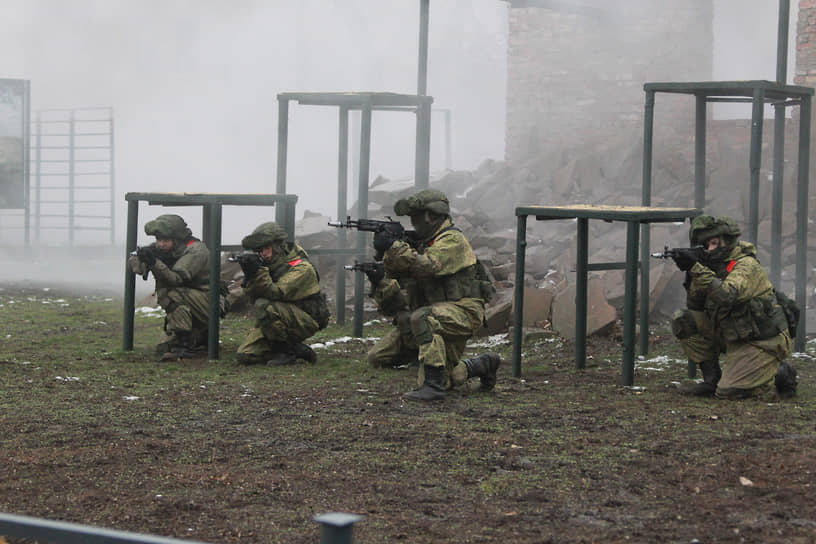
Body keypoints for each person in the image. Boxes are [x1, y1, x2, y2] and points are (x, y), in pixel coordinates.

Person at [367, 188, 501, 401]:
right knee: (378, 356)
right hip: (433, 315)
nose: (414, 222)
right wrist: (380, 278)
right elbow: (395, 302)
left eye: (416, 217)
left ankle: (435, 385)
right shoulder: (418, 245)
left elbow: (427, 266)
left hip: (462, 312)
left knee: (422, 318)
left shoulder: (453, 240)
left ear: (432, 215)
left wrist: (394, 247)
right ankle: (455, 362)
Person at [670, 214, 797, 399]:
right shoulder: (712, 265)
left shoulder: (746, 265)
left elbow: (727, 295)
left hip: (761, 340)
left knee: (730, 392)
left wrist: (697, 268)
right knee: (684, 320)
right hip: (733, 331)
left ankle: (778, 372)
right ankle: (711, 380)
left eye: (713, 243)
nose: (710, 249)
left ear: (726, 241)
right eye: (705, 245)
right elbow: (695, 308)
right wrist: (692, 274)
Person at [128, 214, 226, 360]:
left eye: (165, 240)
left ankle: (185, 345)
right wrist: (140, 258)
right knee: (163, 348)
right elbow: (138, 267)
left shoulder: (196, 250)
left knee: (170, 294)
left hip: (210, 301)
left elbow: (176, 279)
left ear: (177, 238)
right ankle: (199, 336)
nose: (161, 244)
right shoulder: (165, 249)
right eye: (158, 240)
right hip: (192, 300)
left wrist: (155, 263)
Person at [235, 221, 330, 366]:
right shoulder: (269, 264)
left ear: (278, 246)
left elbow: (275, 292)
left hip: (305, 320)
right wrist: (251, 273)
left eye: (267, 248)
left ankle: (287, 351)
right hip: (278, 319)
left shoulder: (302, 268)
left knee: (265, 306)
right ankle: (296, 349)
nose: (264, 254)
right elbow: (251, 295)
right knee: (245, 355)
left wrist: (259, 272)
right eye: (260, 250)